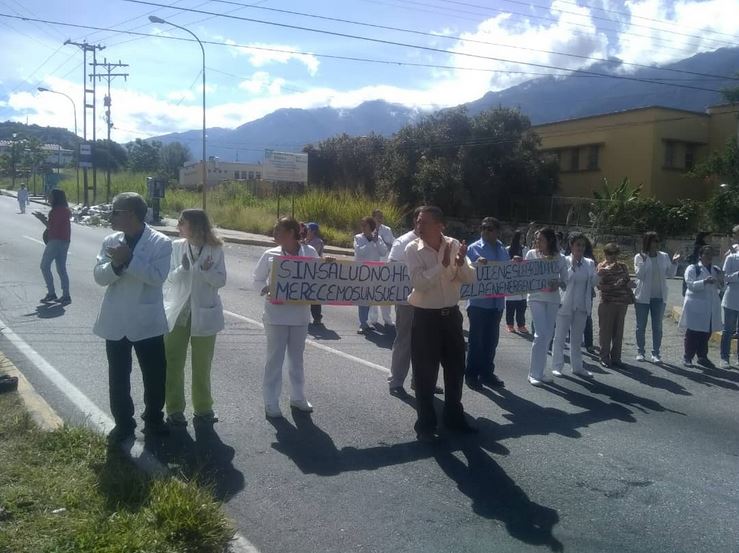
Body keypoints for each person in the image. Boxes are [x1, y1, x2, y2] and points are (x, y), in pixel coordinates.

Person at [93, 192, 172, 442]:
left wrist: (129, 260)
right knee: (118, 376)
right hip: (116, 320)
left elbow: (157, 277)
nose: (111, 215)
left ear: (132, 214)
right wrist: (115, 266)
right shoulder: (110, 240)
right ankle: (123, 423)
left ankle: (154, 419)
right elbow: (99, 276)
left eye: (116, 211)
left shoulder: (161, 242)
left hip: (146, 321)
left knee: (155, 375)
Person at [405, 206, 476, 442]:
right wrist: (443, 265)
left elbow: (469, 277)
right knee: (425, 374)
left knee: (456, 369)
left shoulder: (454, 244)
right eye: (417, 221)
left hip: (451, 317)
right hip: (426, 318)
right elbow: (419, 283)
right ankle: (425, 425)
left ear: (439, 225)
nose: (419, 225)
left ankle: (454, 418)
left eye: (424, 221)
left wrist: (461, 262)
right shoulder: (412, 249)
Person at [162, 209, 226, 426]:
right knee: (173, 362)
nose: (178, 225)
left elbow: (221, 280)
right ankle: (174, 409)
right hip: (179, 313)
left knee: (202, 364)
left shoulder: (215, 249)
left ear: (196, 225)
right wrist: (182, 269)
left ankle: (203, 408)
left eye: (182, 222)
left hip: (204, 313)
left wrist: (205, 272)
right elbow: (168, 279)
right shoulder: (176, 247)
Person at [253, 217, 319, 419]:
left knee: (297, 359)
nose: (275, 234)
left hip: (300, 315)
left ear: (291, 232)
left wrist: (329, 268)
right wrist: (264, 289)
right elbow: (257, 278)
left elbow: (318, 276)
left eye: (279, 230)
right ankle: (271, 401)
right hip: (276, 316)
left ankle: (298, 397)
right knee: (275, 359)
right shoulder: (270, 254)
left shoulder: (310, 253)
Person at [465, 217, 509, 390]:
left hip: (497, 304)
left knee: (491, 342)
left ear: (497, 231)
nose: (485, 231)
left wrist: (516, 264)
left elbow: (507, 271)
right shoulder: (473, 248)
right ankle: (471, 374)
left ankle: (487, 373)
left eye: (490, 228)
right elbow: (465, 269)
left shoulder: (502, 249)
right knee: (476, 342)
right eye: (483, 228)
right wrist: (477, 264)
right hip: (479, 304)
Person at [526, 228, 568, 386]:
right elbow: (525, 274)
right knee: (540, 334)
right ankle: (533, 374)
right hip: (536, 297)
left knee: (548, 335)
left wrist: (558, 282)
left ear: (549, 241)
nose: (537, 242)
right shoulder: (531, 254)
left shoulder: (560, 257)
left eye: (540, 239)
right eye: (537, 239)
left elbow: (565, 280)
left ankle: (540, 371)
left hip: (552, 299)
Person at [552, 233, 598, 378]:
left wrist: (600, 275)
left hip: (582, 306)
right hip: (565, 303)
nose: (581, 248)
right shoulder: (563, 260)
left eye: (583, 245)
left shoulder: (589, 263)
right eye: (578, 245)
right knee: (559, 337)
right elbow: (563, 282)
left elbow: (593, 283)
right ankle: (557, 366)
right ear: (571, 245)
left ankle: (577, 367)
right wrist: (572, 267)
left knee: (577, 340)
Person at [633, 231, 680, 364]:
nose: (657, 243)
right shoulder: (639, 256)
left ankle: (656, 353)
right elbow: (640, 276)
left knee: (657, 326)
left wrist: (675, 262)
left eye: (658, 241)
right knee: (640, 326)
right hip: (642, 297)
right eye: (654, 241)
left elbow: (670, 274)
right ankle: (640, 352)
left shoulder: (664, 256)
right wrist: (644, 260)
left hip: (659, 297)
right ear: (648, 242)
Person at [680, 245, 723, 368]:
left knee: (706, 333)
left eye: (711, 254)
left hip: (710, 307)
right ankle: (687, 357)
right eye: (707, 254)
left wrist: (721, 280)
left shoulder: (715, 269)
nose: (710, 256)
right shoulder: (693, 268)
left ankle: (702, 357)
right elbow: (690, 285)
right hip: (695, 306)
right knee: (693, 332)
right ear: (700, 255)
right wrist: (704, 281)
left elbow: (721, 287)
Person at [596, 243, 635, 368]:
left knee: (618, 332)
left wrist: (629, 284)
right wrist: (614, 286)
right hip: (607, 302)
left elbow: (627, 280)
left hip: (622, 302)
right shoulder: (602, 267)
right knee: (605, 331)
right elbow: (599, 286)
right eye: (609, 253)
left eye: (615, 253)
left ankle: (616, 357)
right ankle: (604, 357)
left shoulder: (623, 266)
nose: (612, 256)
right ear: (605, 253)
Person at [33, 189, 71, 305]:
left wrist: (41, 219)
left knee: (44, 266)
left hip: (55, 240)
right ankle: (66, 295)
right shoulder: (65, 210)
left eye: (50, 196)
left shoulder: (56, 211)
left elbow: (51, 227)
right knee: (61, 269)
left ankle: (51, 293)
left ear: (56, 198)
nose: (48, 198)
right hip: (65, 241)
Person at [353, 216, 388, 333]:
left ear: (371, 227)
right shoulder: (358, 237)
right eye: (361, 225)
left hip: (374, 274)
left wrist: (376, 241)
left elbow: (383, 252)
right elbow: (359, 252)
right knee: (362, 299)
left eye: (365, 225)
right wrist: (369, 241)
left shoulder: (378, 239)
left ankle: (368, 321)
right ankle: (363, 323)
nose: (362, 227)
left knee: (370, 299)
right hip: (362, 274)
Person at [371, 209, 395, 327]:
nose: (380, 218)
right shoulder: (368, 229)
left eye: (382, 216)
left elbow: (393, 245)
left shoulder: (387, 230)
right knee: (372, 293)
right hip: (373, 266)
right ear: (373, 217)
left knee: (386, 293)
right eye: (378, 216)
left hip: (385, 266)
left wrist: (382, 242)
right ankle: (373, 319)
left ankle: (387, 319)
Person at [505, 230, 529, 334]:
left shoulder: (526, 250)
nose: (522, 240)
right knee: (510, 306)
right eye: (520, 238)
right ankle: (510, 324)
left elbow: (529, 264)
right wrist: (512, 261)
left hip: (522, 282)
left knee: (521, 306)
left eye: (523, 238)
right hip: (511, 282)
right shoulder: (507, 249)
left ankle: (521, 325)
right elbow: (503, 265)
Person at [721, 243, 739, 368]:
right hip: (732, 299)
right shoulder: (731, 258)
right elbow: (724, 277)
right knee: (728, 331)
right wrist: (737, 275)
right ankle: (724, 358)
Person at [303, 222, 325, 326]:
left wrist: (304, 242)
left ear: (313, 231)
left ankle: (317, 317)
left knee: (314, 296)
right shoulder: (306, 241)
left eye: (308, 230)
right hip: (305, 270)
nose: (306, 232)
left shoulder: (317, 242)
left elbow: (309, 253)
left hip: (314, 271)